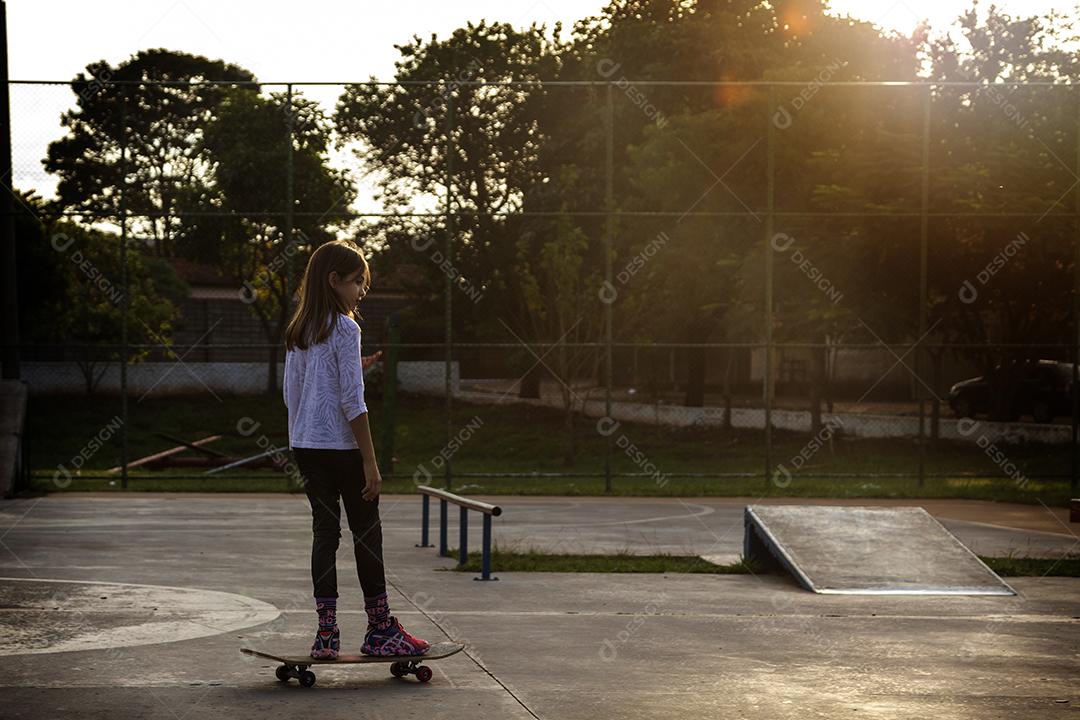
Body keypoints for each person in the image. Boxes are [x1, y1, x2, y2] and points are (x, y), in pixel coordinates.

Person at [282, 239, 430, 659]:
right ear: (334, 281)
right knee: (367, 533)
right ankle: (380, 629)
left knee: (324, 534)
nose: (362, 290)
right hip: (342, 449)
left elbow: (292, 394)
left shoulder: (299, 331)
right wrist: (370, 460)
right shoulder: (347, 329)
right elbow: (353, 402)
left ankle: (326, 637)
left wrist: (307, 429)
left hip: (306, 446)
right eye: (357, 282)